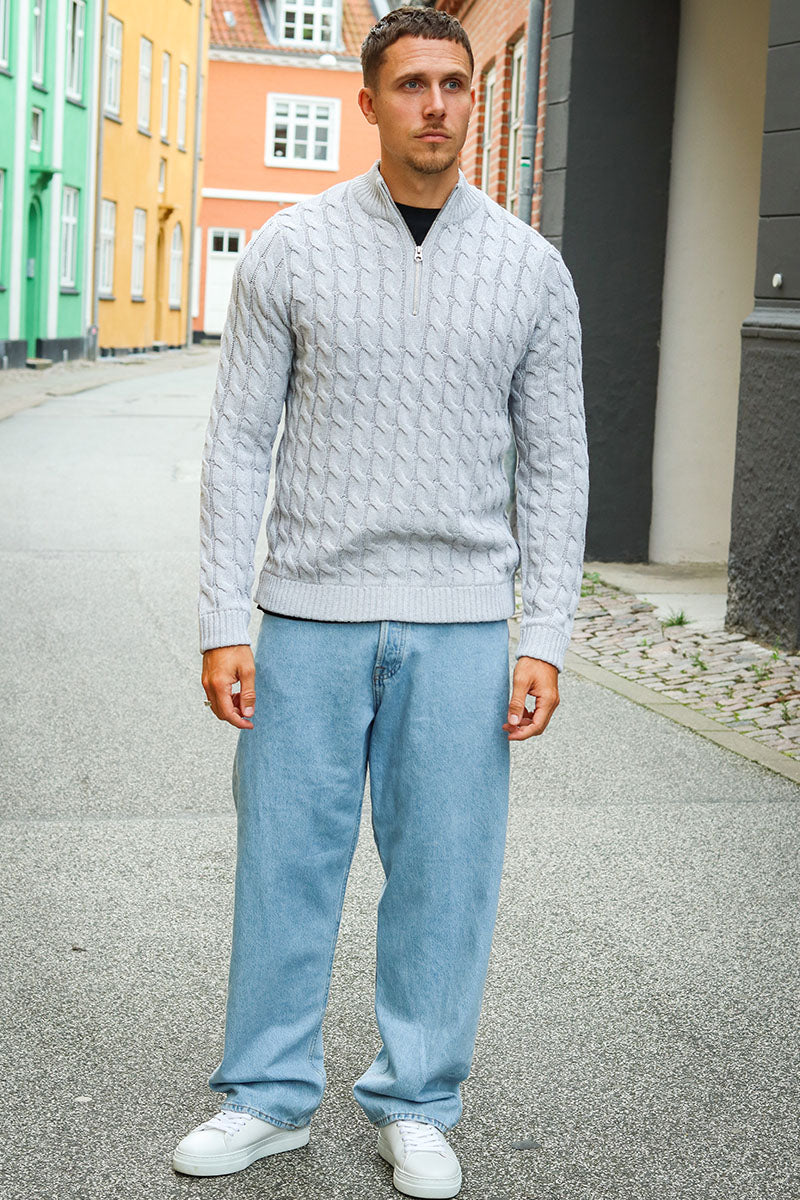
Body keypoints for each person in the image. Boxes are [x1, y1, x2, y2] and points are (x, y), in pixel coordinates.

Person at [173, 7, 589, 1198]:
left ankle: (417, 1103)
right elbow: (238, 444)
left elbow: (555, 464)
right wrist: (223, 618)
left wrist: (543, 635)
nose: (435, 105)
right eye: (410, 84)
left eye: (453, 83)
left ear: (473, 97)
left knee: (446, 875)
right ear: (366, 102)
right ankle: (267, 1097)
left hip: (462, 621)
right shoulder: (289, 251)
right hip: (308, 612)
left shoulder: (529, 268)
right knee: (284, 864)